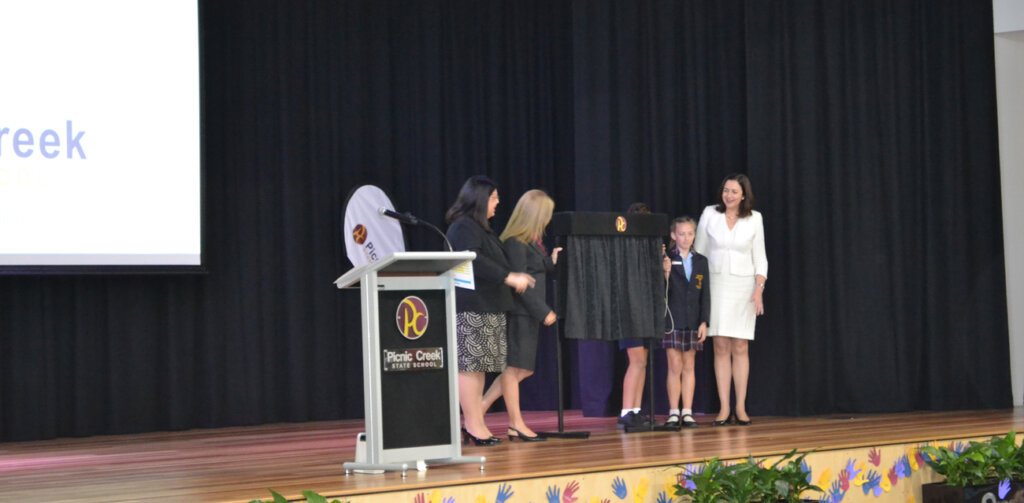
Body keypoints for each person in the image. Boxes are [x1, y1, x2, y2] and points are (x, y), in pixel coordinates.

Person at [445, 175, 535, 445]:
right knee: (471, 367)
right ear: (481, 198)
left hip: (488, 307)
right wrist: (509, 277)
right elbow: (473, 262)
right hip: (472, 307)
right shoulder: (463, 227)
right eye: (494, 197)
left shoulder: (480, 228)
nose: (497, 202)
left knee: (480, 367)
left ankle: (475, 424)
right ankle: (473, 425)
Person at [480, 190, 561, 442]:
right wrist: (543, 310)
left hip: (528, 314)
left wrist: (550, 262)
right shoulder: (515, 241)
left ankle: (478, 409)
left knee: (522, 370)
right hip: (520, 313)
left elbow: (533, 268)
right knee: (513, 369)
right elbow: (519, 282)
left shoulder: (531, 240)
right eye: (545, 214)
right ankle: (515, 424)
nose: (547, 220)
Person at [693, 174, 767, 426]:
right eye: (726, 191)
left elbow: (761, 257)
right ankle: (724, 408)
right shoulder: (709, 214)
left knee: (740, 347)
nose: (729, 195)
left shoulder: (755, 219)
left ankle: (741, 406)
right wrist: (696, 290)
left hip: (743, 287)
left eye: (734, 192)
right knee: (721, 346)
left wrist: (759, 289)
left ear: (743, 195)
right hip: (715, 285)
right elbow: (699, 253)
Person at [661, 216, 710, 428]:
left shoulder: (701, 261)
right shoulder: (666, 258)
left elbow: (705, 294)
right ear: (673, 235)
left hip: (693, 320)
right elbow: (661, 291)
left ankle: (687, 411)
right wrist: (664, 273)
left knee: (689, 366)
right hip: (672, 319)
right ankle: (673, 411)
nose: (686, 237)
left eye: (690, 233)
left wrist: (704, 321)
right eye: (681, 233)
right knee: (674, 366)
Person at [617, 202, 654, 428]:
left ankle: (636, 410)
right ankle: (626, 411)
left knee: (643, 361)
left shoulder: (649, 249)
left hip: (646, 310)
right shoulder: (626, 249)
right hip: (630, 310)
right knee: (636, 360)